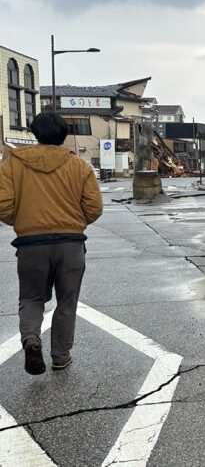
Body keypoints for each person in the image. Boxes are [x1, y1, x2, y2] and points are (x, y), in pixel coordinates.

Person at [0, 113, 103, 375]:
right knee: (67, 301)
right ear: (63, 135)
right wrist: (76, 222)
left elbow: (3, 205)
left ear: (35, 133)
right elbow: (94, 207)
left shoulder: (12, 164)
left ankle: (32, 339)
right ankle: (61, 356)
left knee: (32, 298)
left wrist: (22, 220)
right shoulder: (79, 166)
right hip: (71, 244)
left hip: (30, 243)